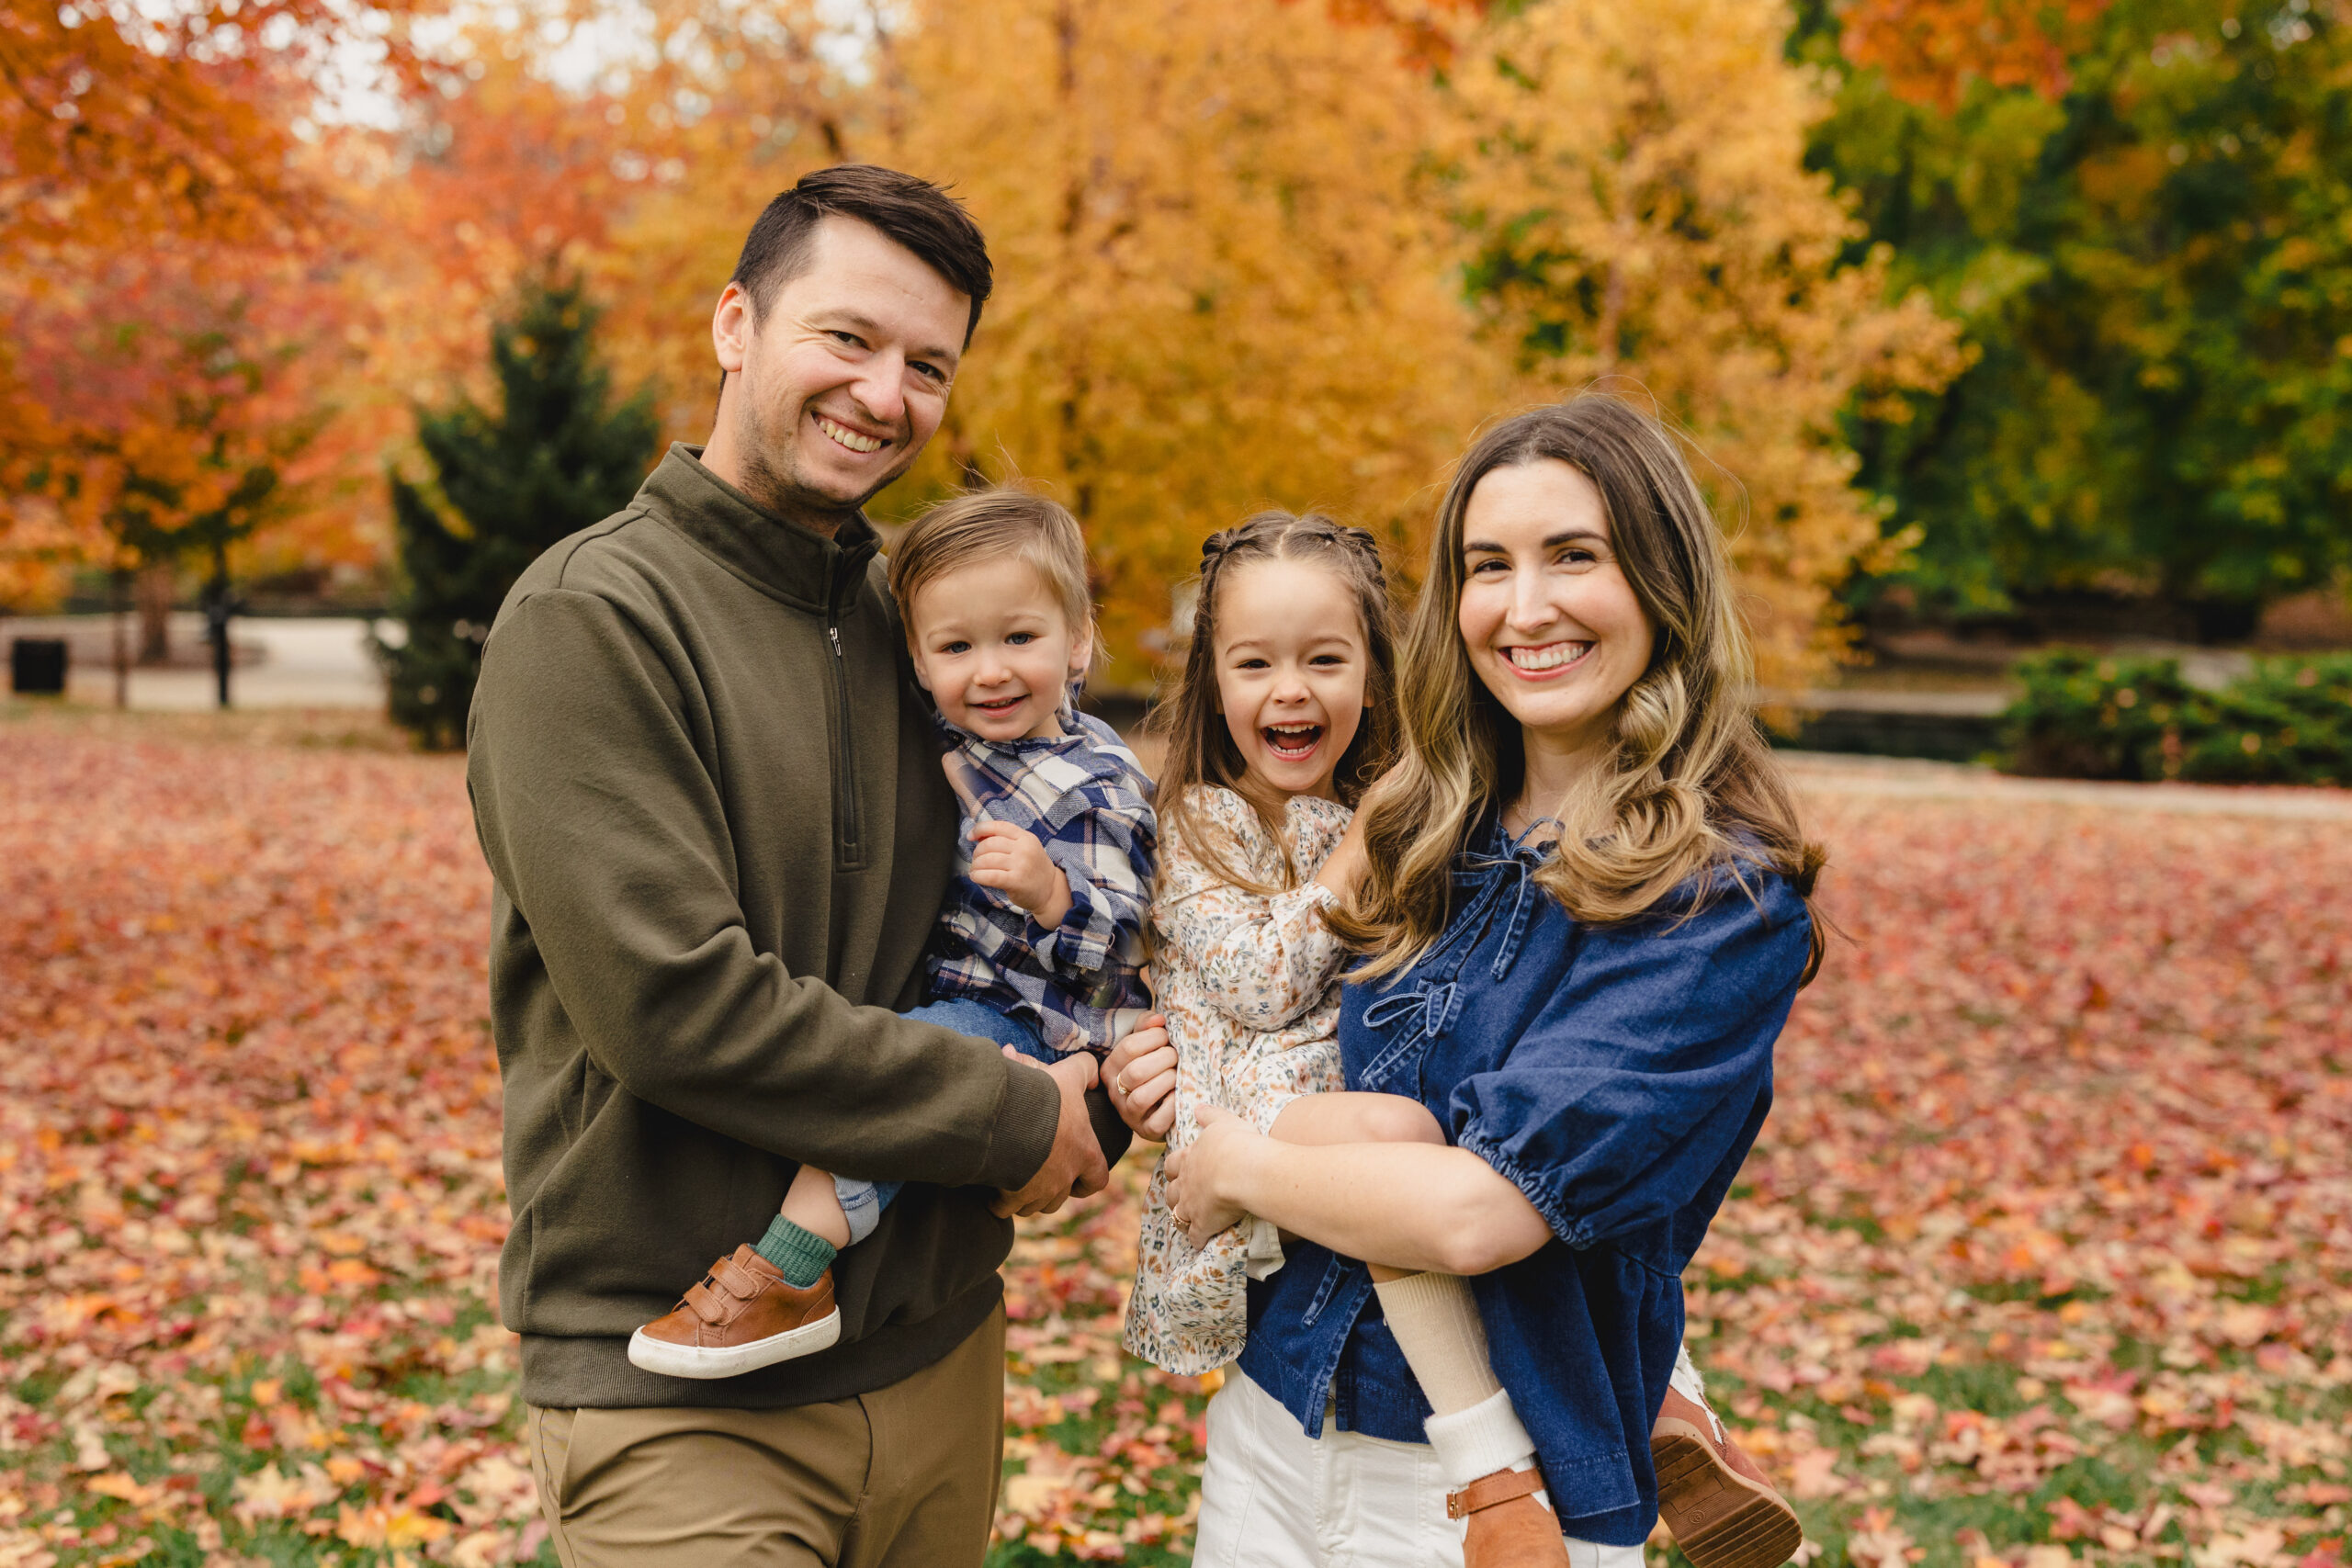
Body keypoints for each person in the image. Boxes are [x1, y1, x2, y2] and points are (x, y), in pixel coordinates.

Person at [469, 165, 1157, 1568]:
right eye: (847, 337)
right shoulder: (591, 619)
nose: (883, 393)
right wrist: (1007, 1113)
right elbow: (675, 1004)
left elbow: (1081, 859)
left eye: (927, 366)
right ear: (736, 323)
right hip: (680, 1395)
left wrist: (1093, 1086)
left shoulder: (938, 622)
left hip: (939, 1352)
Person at [1138, 396, 1819, 1568]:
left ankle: (1675, 1411)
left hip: (1505, 1493)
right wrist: (1164, 1056)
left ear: (1661, 579)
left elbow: (1476, 1215)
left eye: (1574, 555)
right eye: (1488, 565)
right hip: (1277, 1425)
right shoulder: (1413, 831)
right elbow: (1282, 1018)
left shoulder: (1716, 905)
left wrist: (1234, 1161)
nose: (1525, 606)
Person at [629, 488, 1155, 1380]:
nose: (989, 672)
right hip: (964, 988)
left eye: (1018, 638)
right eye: (956, 648)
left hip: (1031, 1015)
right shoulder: (951, 735)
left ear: (1078, 641)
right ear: (918, 657)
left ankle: (788, 1275)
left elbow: (1124, 953)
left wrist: (1051, 893)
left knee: (900, 1082)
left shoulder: (1094, 782)